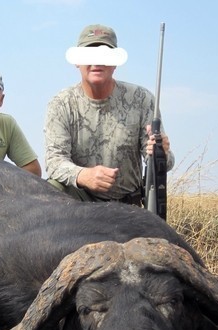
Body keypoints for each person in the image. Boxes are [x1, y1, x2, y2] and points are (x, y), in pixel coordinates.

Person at [44, 24, 174, 205]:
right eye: (89, 55)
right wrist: (83, 175)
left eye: (104, 54)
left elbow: (163, 163)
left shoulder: (142, 99)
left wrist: (162, 152)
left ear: (115, 62)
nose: (97, 62)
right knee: (53, 187)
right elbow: (54, 161)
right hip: (79, 205)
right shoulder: (61, 104)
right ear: (77, 61)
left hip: (128, 206)